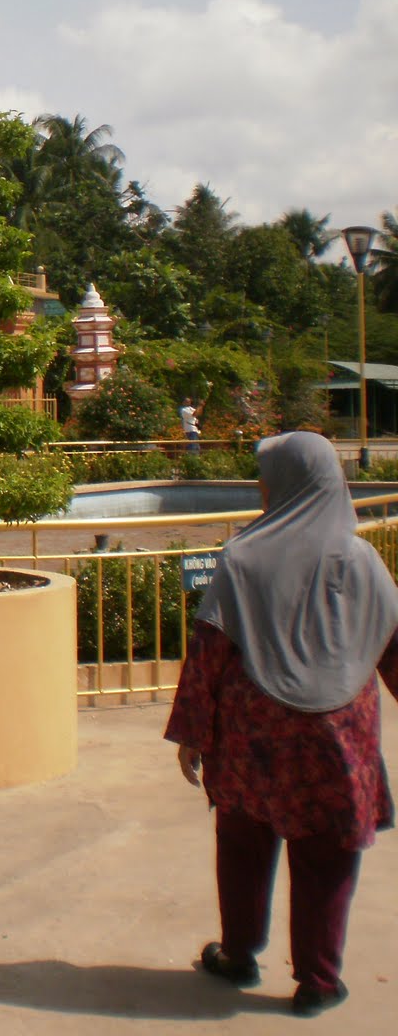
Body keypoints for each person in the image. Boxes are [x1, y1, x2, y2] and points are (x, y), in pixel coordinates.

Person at [165, 431, 398, 1018]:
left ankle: (238, 953)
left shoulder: (243, 558)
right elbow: (392, 642)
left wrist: (193, 732)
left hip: (253, 737)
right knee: (327, 855)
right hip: (338, 737)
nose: (260, 488)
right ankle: (318, 980)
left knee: (242, 844)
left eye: (265, 478)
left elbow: (209, 649)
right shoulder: (361, 560)